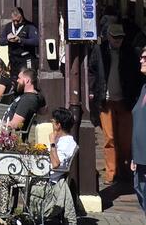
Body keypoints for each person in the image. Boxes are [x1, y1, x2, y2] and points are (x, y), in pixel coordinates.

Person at [88, 23, 143, 184]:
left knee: (125, 139)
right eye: (115, 37)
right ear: (109, 36)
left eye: (120, 38)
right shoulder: (99, 50)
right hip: (106, 100)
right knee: (109, 138)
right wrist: (93, 91)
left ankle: (125, 169)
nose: (118, 40)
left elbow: (136, 76)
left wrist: (134, 96)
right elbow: (92, 71)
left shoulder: (129, 51)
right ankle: (111, 173)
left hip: (125, 100)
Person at [29, 107, 78, 224]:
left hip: (45, 179)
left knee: (4, 177)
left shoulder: (67, 143)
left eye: (53, 122)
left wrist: (51, 143)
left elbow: (55, 164)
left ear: (58, 125)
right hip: (42, 173)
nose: (51, 124)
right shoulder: (62, 140)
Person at [2, 68, 45, 137]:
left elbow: (15, 125)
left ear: (27, 80)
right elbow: (44, 111)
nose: (17, 80)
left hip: (7, 137)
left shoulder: (27, 100)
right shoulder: (36, 95)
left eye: (19, 78)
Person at [0, 7, 39, 78]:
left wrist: (20, 40)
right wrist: (8, 39)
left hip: (26, 59)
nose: (16, 23)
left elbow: (36, 41)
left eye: (18, 21)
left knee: (26, 79)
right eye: (13, 21)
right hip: (13, 60)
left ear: (22, 17)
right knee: (14, 80)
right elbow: (0, 41)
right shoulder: (8, 26)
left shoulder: (29, 26)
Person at [132, 48, 146, 215]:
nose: (141, 60)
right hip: (140, 157)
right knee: (140, 190)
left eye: (145, 57)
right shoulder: (143, 87)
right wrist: (135, 156)